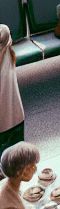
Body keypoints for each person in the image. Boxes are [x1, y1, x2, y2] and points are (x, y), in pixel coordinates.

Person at [0, 26, 24, 157]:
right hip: (14, 120)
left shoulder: (4, 46)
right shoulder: (5, 47)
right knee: (16, 164)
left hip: (13, 122)